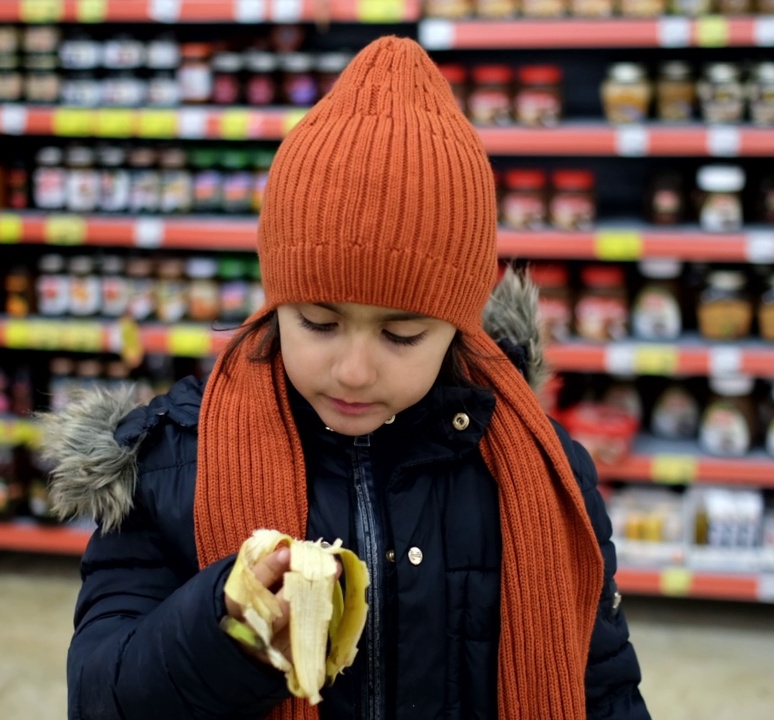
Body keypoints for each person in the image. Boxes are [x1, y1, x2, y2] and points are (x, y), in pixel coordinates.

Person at [43, 36, 649, 720]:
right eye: (319, 324)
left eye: (402, 334)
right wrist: (224, 631)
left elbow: (603, 689)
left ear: (461, 325)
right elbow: (99, 699)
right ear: (275, 302)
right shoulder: (166, 466)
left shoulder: (543, 476)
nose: (354, 371)